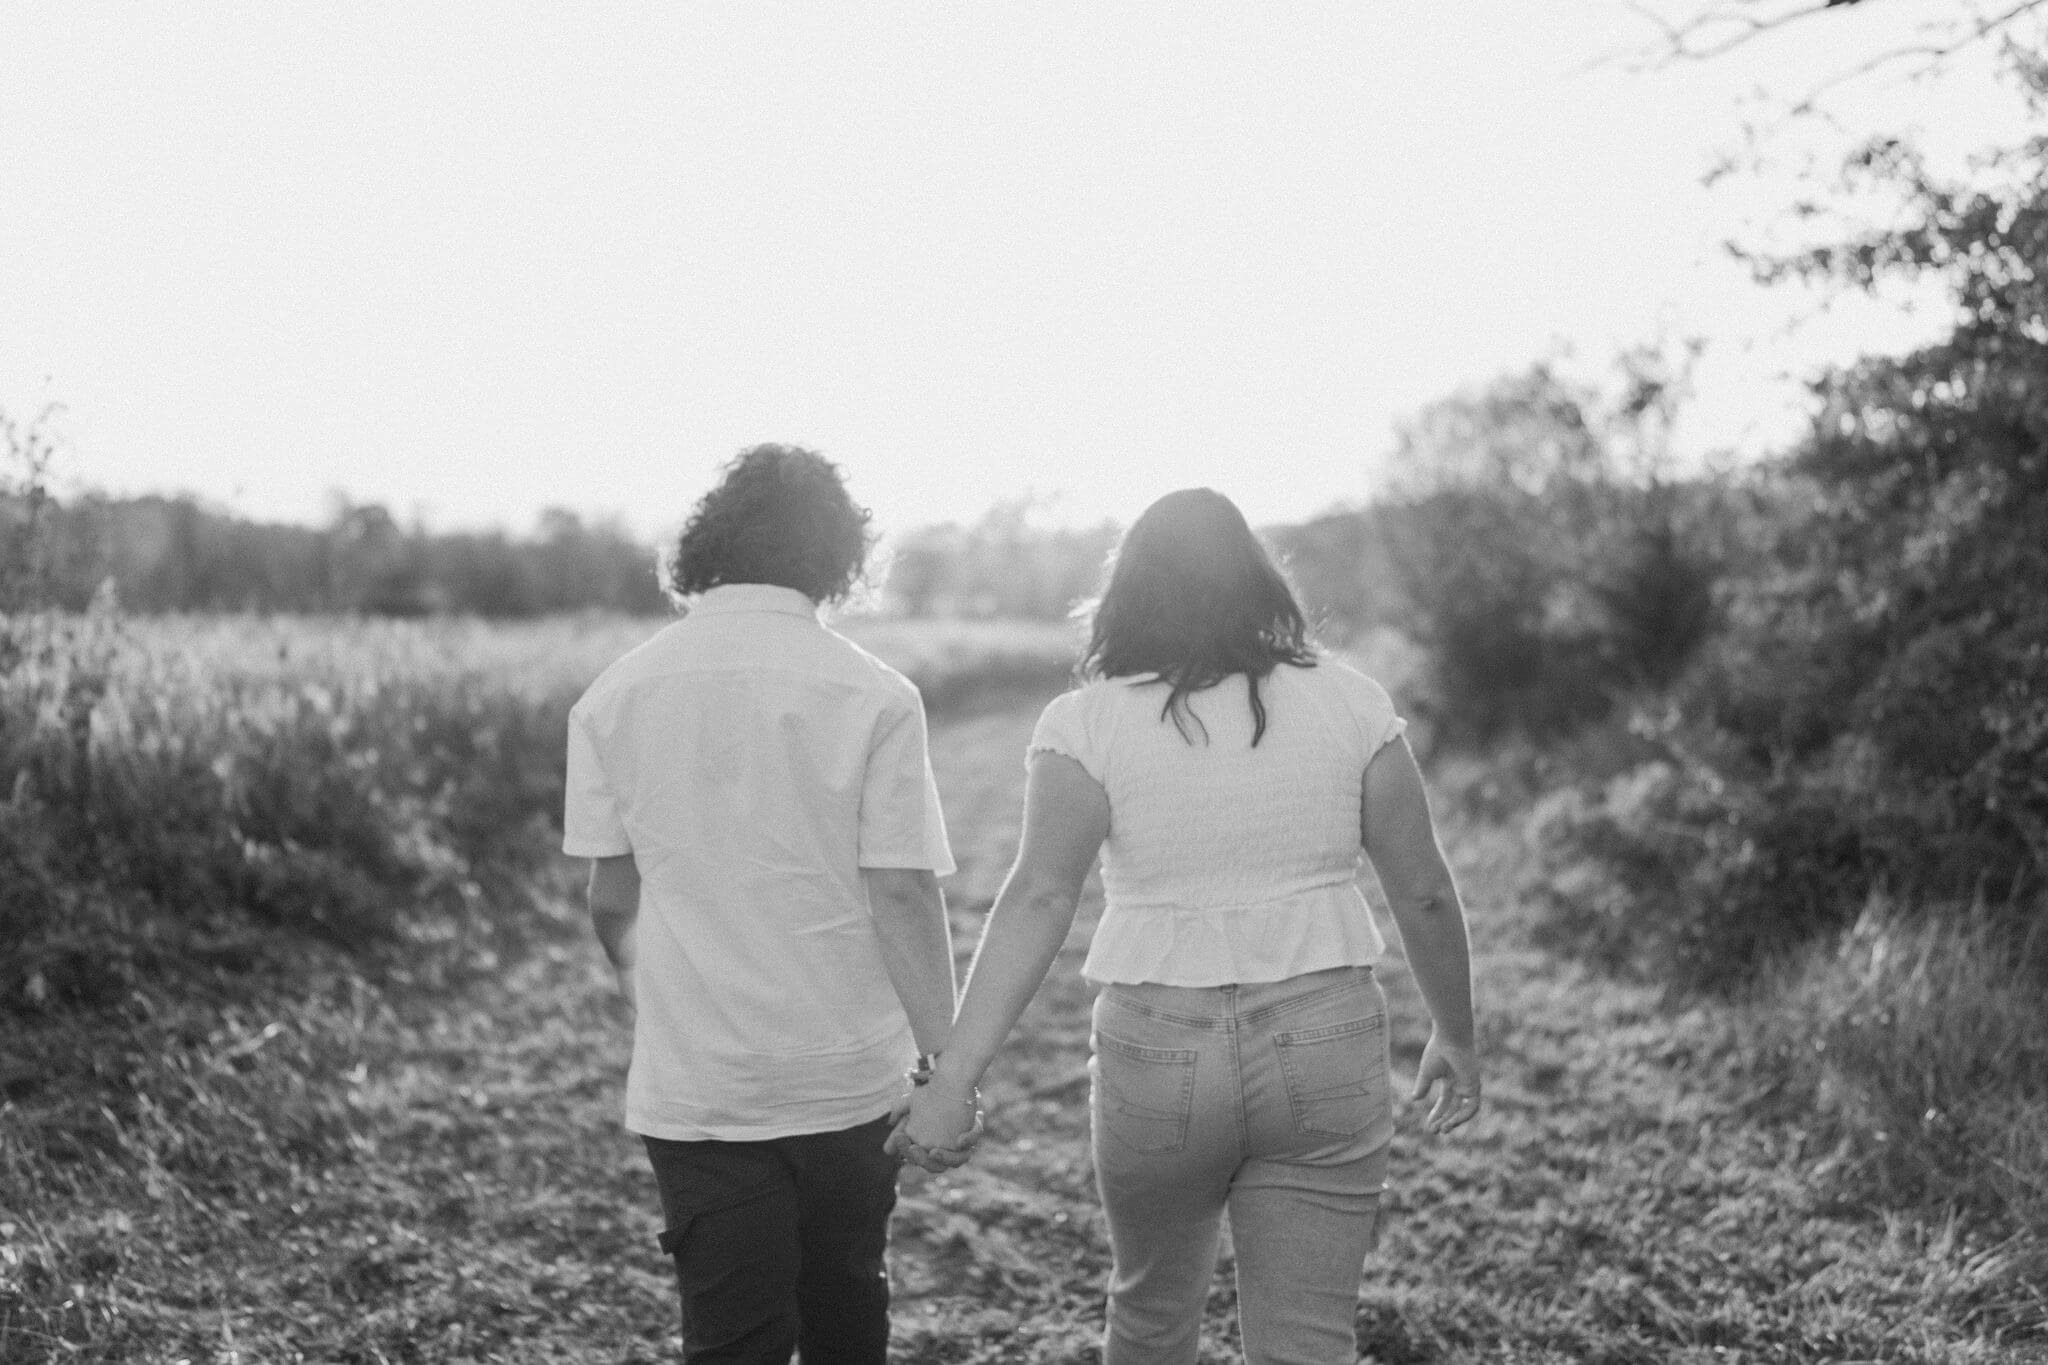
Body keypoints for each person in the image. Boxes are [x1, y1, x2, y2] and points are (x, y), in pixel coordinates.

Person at [891, 487, 1482, 1364]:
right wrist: (1457, 1034)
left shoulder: (1086, 722)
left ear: (1128, 593)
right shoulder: (1353, 702)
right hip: (1326, 1040)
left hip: (1158, 1054)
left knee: (1152, 1315)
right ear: (1259, 582)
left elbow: (1040, 898)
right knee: (1309, 1340)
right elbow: (1425, 888)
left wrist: (952, 1083)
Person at [563, 444, 972, 1365]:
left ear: (708, 543)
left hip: (700, 1084)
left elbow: (610, 899)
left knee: (730, 1337)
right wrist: (948, 1069)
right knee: (844, 1304)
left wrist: (664, 1003)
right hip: (846, 1080)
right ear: (837, 556)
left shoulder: (612, 695)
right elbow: (901, 891)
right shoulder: (876, 694)